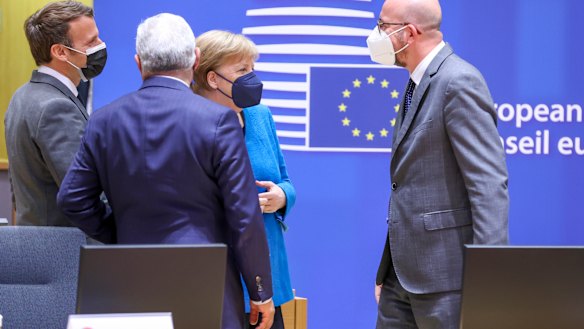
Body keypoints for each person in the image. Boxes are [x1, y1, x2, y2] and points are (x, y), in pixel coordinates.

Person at [56, 13, 275, 329]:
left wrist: (119, 232)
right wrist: (260, 291)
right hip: (205, 281)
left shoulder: (103, 120)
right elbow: (244, 215)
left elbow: (73, 199)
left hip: (127, 279)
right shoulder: (218, 121)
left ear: (138, 63)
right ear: (196, 60)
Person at [367, 0, 509, 328]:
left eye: (383, 26)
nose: (377, 35)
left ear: (410, 33)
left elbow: (488, 184)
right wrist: (388, 270)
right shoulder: (417, 81)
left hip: (447, 280)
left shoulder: (458, 81)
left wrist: (490, 277)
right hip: (401, 278)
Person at [192, 30, 296, 329]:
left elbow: (286, 180)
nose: (253, 78)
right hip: (214, 272)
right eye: (242, 70)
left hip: (265, 271)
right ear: (212, 79)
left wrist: (282, 196)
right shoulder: (189, 120)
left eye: (253, 69)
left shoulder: (260, 115)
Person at [5, 1, 107, 227]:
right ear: (60, 52)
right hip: (61, 249)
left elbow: (19, 192)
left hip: (35, 243)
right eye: (91, 42)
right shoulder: (55, 107)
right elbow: (82, 195)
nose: (101, 45)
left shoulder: (21, 96)